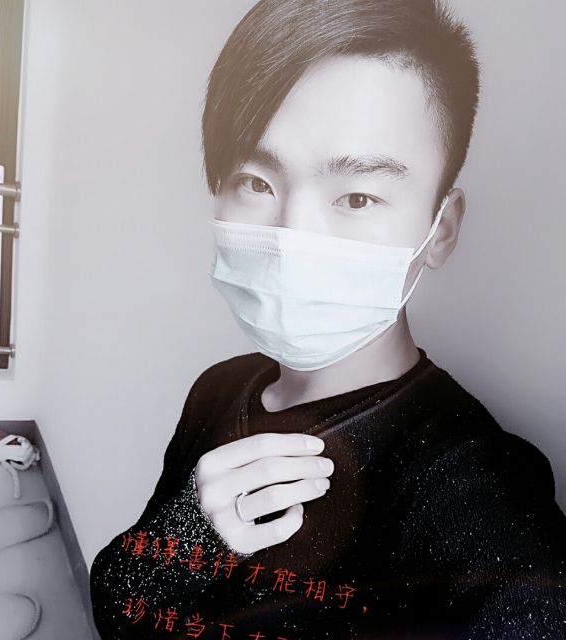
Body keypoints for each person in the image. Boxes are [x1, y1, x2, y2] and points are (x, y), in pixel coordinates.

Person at [89, 1, 566, 638]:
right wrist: (187, 535)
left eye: (358, 197)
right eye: (256, 183)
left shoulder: (473, 484)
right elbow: (117, 605)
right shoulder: (219, 389)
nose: (293, 238)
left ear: (441, 229)